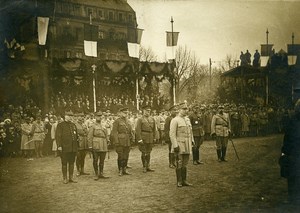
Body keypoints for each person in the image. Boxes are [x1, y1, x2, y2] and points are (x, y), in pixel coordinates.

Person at [281, 99, 300, 204]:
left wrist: (284, 152)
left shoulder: (292, 121)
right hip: (294, 155)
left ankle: (293, 199)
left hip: (293, 155)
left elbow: (287, 139)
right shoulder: (292, 121)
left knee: (293, 178)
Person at [170, 102, 193, 187]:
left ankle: (184, 180)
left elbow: (190, 132)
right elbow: (172, 134)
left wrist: (192, 141)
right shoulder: (175, 120)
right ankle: (179, 181)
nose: (186, 110)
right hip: (179, 144)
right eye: (184, 109)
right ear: (179, 110)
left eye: (186, 109)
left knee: (185, 163)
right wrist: (175, 145)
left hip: (187, 144)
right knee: (179, 162)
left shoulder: (187, 119)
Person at [56, 112, 79, 184]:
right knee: (64, 163)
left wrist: (76, 146)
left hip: (73, 148)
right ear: (65, 116)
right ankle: (65, 178)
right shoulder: (60, 125)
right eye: (69, 116)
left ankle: (71, 177)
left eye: (71, 116)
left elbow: (76, 136)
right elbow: (58, 136)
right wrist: (59, 146)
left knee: (72, 163)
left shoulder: (73, 125)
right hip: (64, 148)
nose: (71, 117)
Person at [111, 106, 134, 176]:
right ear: (120, 113)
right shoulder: (117, 121)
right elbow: (114, 132)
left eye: (127, 113)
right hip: (120, 141)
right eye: (124, 113)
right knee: (120, 156)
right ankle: (120, 169)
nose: (126, 114)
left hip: (127, 141)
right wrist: (116, 141)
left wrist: (132, 138)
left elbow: (130, 131)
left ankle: (125, 169)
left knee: (126, 155)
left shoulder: (128, 121)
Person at [88, 111, 110, 180]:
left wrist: (107, 140)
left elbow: (106, 134)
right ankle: (96, 174)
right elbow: (89, 137)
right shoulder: (93, 126)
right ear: (95, 117)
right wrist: (90, 146)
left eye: (100, 116)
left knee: (102, 160)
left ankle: (101, 173)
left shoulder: (103, 125)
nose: (99, 117)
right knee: (95, 160)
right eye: (98, 116)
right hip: (96, 144)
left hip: (103, 144)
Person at [135, 105, 157, 173]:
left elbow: (154, 129)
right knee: (144, 152)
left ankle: (148, 166)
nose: (148, 112)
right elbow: (138, 130)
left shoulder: (152, 119)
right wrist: (139, 139)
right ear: (143, 111)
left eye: (149, 111)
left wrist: (155, 137)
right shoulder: (140, 119)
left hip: (150, 137)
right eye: (147, 111)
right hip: (143, 137)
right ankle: (144, 166)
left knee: (149, 152)